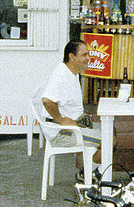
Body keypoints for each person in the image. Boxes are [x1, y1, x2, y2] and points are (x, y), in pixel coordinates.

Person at [41, 40, 103, 181]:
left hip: (75, 125)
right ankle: (88, 173)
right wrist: (60, 119)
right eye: (84, 55)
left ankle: (89, 170)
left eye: (88, 54)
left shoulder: (71, 71)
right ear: (72, 57)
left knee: (111, 131)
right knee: (109, 140)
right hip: (62, 133)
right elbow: (47, 100)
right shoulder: (61, 76)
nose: (88, 58)